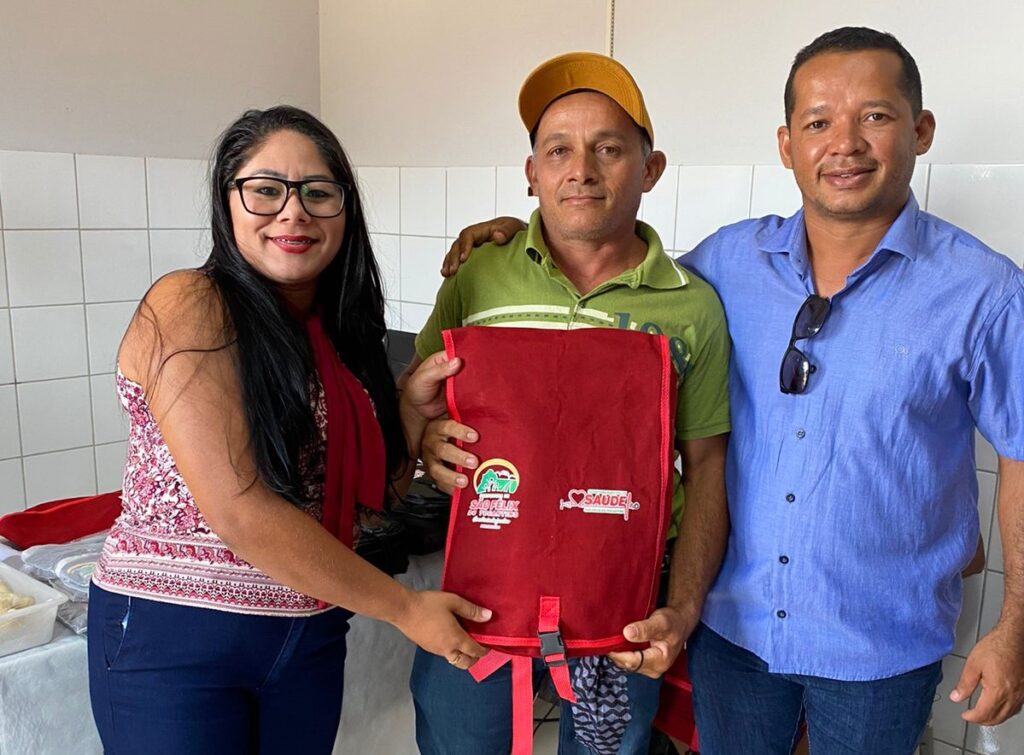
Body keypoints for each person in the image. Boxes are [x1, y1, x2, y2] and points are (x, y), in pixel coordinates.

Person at [444, 27, 1024, 755]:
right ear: (787, 145)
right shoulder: (726, 263)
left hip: (879, 647)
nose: (843, 144)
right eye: (818, 122)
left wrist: (1015, 627)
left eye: (874, 115)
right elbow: (612, 273)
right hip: (733, 633)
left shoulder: (985, 291)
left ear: (921, 129)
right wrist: (521, 243)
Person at [86, 105, 491, 755]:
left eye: (318, 192)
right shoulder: (190, 303)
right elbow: (240, 510)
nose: (293, 212)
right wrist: (405, 607)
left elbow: (367, 502)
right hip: (179, 640)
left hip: (308, 634)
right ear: (228, 202)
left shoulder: (343, 334)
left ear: (345, 209)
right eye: (266, 190)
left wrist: (411, 417)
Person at [404, 52, 731, 755]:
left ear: (650, 169)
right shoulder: (478, 275)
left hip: (624, 612)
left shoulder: (694, 306)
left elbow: (709, 466)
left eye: (608, 149)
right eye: (558, 150)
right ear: (531, 172)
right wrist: (425, 437)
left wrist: (683, 608)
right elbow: (419, 393)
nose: (580, 169)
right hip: (478, 605)